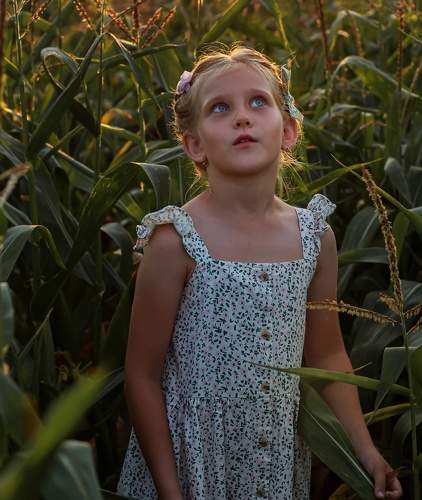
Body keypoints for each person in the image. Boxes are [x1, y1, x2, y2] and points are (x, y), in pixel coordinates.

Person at [116, 44, 402, 500]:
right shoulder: (175, 241)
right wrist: (171, 491)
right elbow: (142, 376)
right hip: (191, 464)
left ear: (288, 130)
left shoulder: (315, 238)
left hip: (273, 459)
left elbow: (327, 357)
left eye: (257, 102)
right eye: (220, 108)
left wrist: (365, 453)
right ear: (194, 145)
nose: (242, 118)